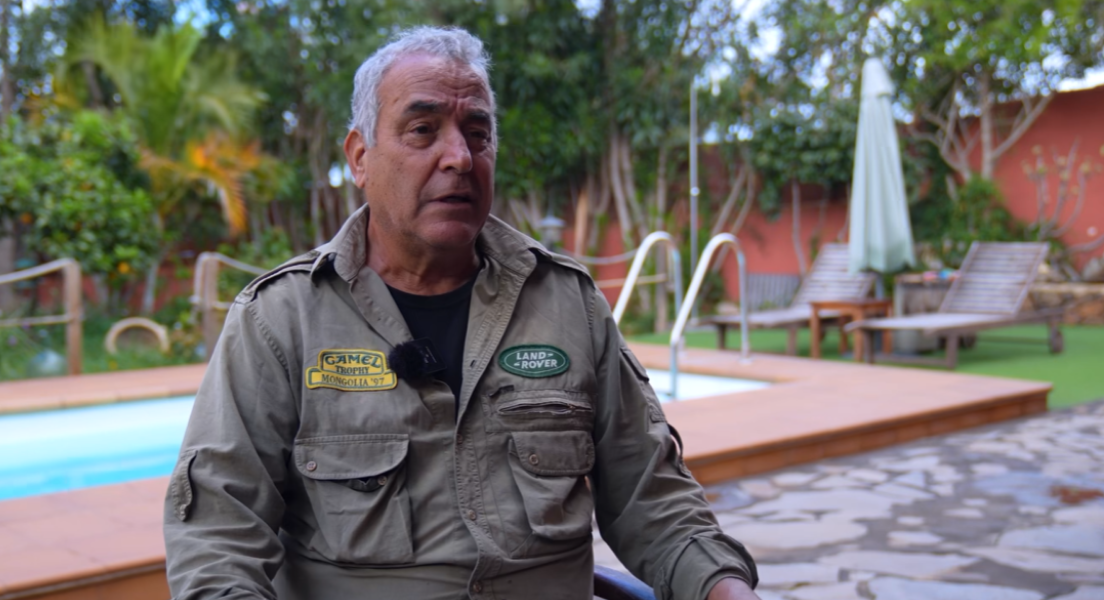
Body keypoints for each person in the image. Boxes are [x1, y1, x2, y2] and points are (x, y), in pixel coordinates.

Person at [164, 26, 760, 600]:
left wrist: (723, 586)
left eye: (478, 133)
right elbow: (218, 534)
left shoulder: (568, 305)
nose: (459, 157)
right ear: (360, 157)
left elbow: (654, 502)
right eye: (423, 130)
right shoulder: (281, 318)